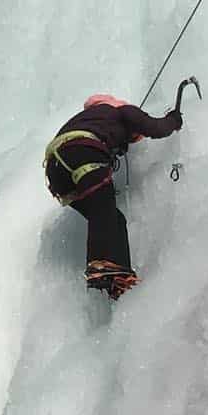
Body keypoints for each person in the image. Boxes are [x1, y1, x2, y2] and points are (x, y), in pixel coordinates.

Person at [43, 94, 182, 300]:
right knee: (103, 212)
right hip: (83, 152)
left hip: (56, 172)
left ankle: (120, 273)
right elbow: (153, 127)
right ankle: (99, 264)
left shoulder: (85, 119)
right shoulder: (120, 111)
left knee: (114, 218)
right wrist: (173, 120)